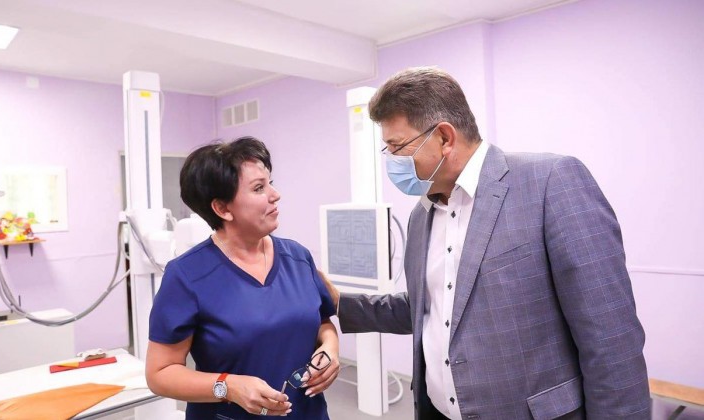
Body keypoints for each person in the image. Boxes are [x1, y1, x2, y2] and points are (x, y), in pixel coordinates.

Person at [320, 67, 650, 419]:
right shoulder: (422, 214)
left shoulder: (549, 183)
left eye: (398, 147)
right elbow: (431, 306)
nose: (391, 161)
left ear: (444, 137)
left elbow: (611, 337)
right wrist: (340, 303)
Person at [146, 137, 339, 419]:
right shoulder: (187, 276)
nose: (275, 195)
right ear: (222, 209)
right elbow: (160, 374)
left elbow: (322, 321)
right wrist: (228, 387)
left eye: (270, 183)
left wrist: (330, 349)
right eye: (259, 188)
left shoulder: (297, 257)